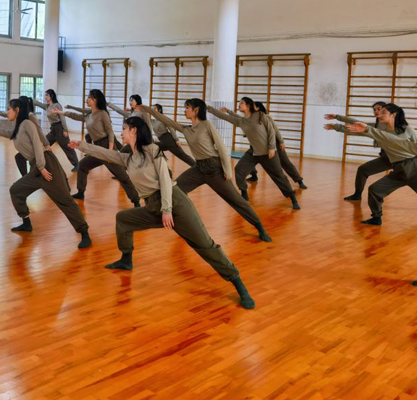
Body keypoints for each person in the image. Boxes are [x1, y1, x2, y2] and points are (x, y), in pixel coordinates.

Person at [69, 116, 256, 309]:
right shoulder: (128, 158)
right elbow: (106, 154)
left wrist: (167, 210)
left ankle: (238, 283)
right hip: (153, 206)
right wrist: (81, 146)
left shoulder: (153, 150)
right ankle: (126, 260)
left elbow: (165, 180)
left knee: (204, 245)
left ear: (134, 130)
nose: (121, 133)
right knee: (124, 219)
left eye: (124, 128)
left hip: (175, 204)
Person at [142, 99, 271, 242]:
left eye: (187, 107)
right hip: (199, 169)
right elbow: (166, 120)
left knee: (236, 200)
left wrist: (227, 169)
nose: (185, 110)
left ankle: (260, 227)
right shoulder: (186, 129)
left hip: (215, 169)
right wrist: (147, 109)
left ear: (196, 110)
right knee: (175, 190)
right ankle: (185, 221)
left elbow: (221, 147)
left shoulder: (207, 125)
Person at [0, 99, 92, 249]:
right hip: (37, 168)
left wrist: (41, 167)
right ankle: (26, 222)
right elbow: (6, 133)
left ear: (17, 110)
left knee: (65, 200)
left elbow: (37, 145)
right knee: (16, 191)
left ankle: (85, 233)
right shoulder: (18, 126)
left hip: (46, 166)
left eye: (9, 109)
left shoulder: (28, 124)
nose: (7, 112)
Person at [344, 108, 417, 286]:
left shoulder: (409, 132)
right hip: (399, 170)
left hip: (414, 170)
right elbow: (397, 142)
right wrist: (367, 129)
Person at [326, 103, 417, 225]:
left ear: (393, 115)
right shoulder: (380, 129)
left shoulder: (407, 130)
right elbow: (357, 127)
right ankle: (376, 217)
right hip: (398, 169)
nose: (378, 114)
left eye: (383, 112)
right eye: (378, 111)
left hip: (415, 168)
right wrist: (336, 125)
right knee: (375, 190)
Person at [208, 99, 300, 209]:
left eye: (242, 103)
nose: (239, 104)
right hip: (253, 152)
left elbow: (271, 131)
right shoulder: (242, 121)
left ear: (248, 105)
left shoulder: (260, 115)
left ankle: (292, 198)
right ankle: (244, 194)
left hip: (267, 153)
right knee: (239, 170)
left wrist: (272, 147)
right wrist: (209, 108)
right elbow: (224, 116)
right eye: (239, 103)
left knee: (279, 176)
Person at [53, 89, 140, 205]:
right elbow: (75, 116)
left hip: (106, 146)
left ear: (95, 100)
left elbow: (110, 132)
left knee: (122, 176)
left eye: (89, 97)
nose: (87, 99)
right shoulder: (89, 115)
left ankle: (136, 200)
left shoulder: (102, 114)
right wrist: (60, 112)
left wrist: (110, 151)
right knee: (82, 165)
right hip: (97, 148)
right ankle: (80, 192)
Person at [324, 101, 389, 200]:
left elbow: (360, 126)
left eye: (379, 109)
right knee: (363, 170)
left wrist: (337, 122)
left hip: (401, 160)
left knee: (410, 181)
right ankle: (357, 195)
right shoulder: (377, 125)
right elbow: (358, 125)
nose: (376, 111)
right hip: (387, 158)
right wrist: (337, 120)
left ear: (387, 110)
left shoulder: (389, 125)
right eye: (374, 109)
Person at [243, 102, 307, 190]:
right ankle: (254, 176)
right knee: (250, 160)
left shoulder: (266, 117)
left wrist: (281, 141)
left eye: (252, 106)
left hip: (273, 144)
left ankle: (299, 181)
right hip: (259, 145)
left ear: (258, 108)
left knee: (285, 162)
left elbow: (275, 130)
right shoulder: (250, 119)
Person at [33, 89, 79, 171]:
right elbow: (37, 103)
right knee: (44, 143)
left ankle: (77, 165)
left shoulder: (57, 105)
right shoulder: (47, 106)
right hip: (53, 130)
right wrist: (28, 100)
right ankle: (41, 163)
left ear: (51, 96)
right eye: (45, 95)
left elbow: (62, 117)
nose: (45, 97)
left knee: (68, 147)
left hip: (59, 128)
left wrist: (65, 130)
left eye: (47, 95)